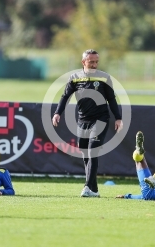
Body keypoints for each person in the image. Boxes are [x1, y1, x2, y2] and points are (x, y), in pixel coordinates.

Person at [52, 49, 123, 197]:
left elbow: (112, 99)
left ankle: (86, 187)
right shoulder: (75, 77)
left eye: (96, 61)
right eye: (91, 62)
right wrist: (58, 113)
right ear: (83, 62)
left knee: (92, 152)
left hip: (100, 119)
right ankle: (94, 190)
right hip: (83, 120)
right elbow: (65, 96)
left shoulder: (104, 78)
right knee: (85, 154)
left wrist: (118, 118)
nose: (95, 64)